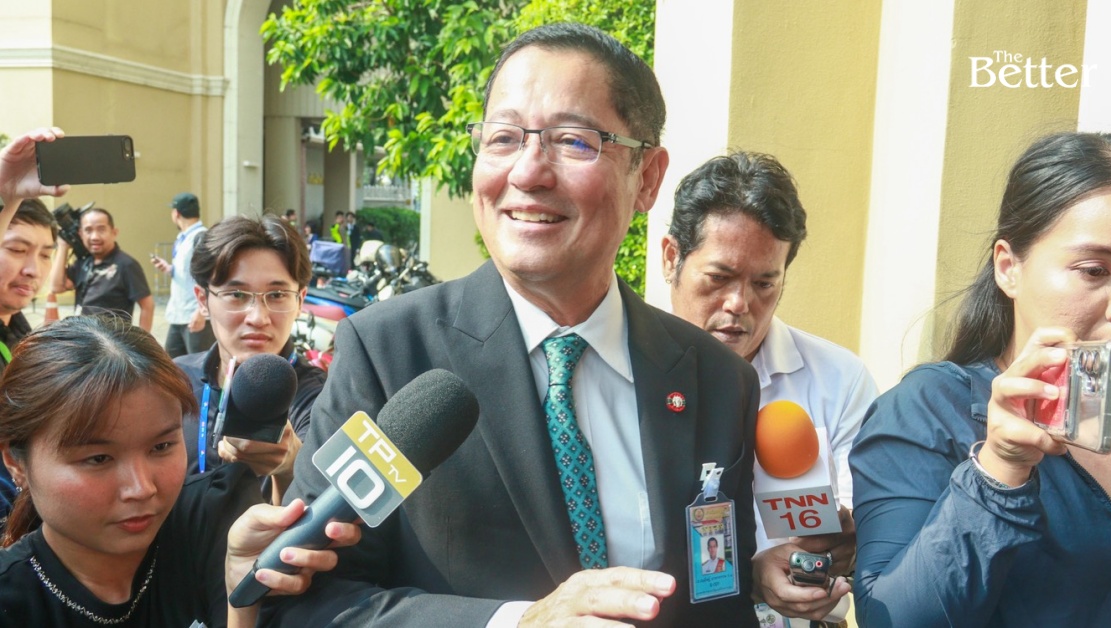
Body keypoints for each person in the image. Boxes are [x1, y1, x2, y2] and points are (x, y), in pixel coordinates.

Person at [269, 22, 760, 627]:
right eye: (503, 137)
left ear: (648, 178)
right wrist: (516, 623)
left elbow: (720, 598)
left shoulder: (717, 380)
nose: (528, 173)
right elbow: (310, 603)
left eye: (573, 141)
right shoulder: (388, 355)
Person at [849, 132, 1111, 626]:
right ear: (1008, 267)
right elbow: (894, 619)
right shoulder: (927, 411)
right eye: (1094, 270)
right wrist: (999, 469)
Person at [0, 315, 359, 627]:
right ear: (16, 461)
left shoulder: (217, 520)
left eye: (161, 447)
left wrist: (243, 596)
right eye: (98, 459)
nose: (142, 488)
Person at [663, 152, 878, 623]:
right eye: (719, 278)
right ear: (670, 258)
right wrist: (748, 576)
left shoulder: (839, 378)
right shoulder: (625, 372)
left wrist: (845, 542)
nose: (739, 303)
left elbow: (869, 528)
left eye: (764, 284)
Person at [174, 215, 324, 504]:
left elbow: (325, 512)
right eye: (237, 294)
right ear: (203, 300)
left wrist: (292, 465)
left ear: (300, 301)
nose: (258, 317)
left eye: (277, 294)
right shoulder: (173, 382)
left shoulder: (325, 400)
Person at [0, 127, 69, 525]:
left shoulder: (25, 338)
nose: (33, 269)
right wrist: (7, 193)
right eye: (16, 249)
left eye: (45, 255)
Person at [49, 206, 154, 330]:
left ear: (114, 232)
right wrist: (63, 247)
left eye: (101, 230)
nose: (95, 237)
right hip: (84, 335)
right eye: (88, 230)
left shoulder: (126, 265)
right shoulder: (84, 263)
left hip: (112, 339)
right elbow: (56, 287)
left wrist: (142, 339)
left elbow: (147, 306)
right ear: (81, 234)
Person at [152, 192, 216, 358]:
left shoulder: (201, 237)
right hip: (178, 314)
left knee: (199, 364)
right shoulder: (184, 237)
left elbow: (209, 275)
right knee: (173, 364)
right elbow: (189, 271)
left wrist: (200, 312)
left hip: (195, 314)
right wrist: (169, 269)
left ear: (176, 213)